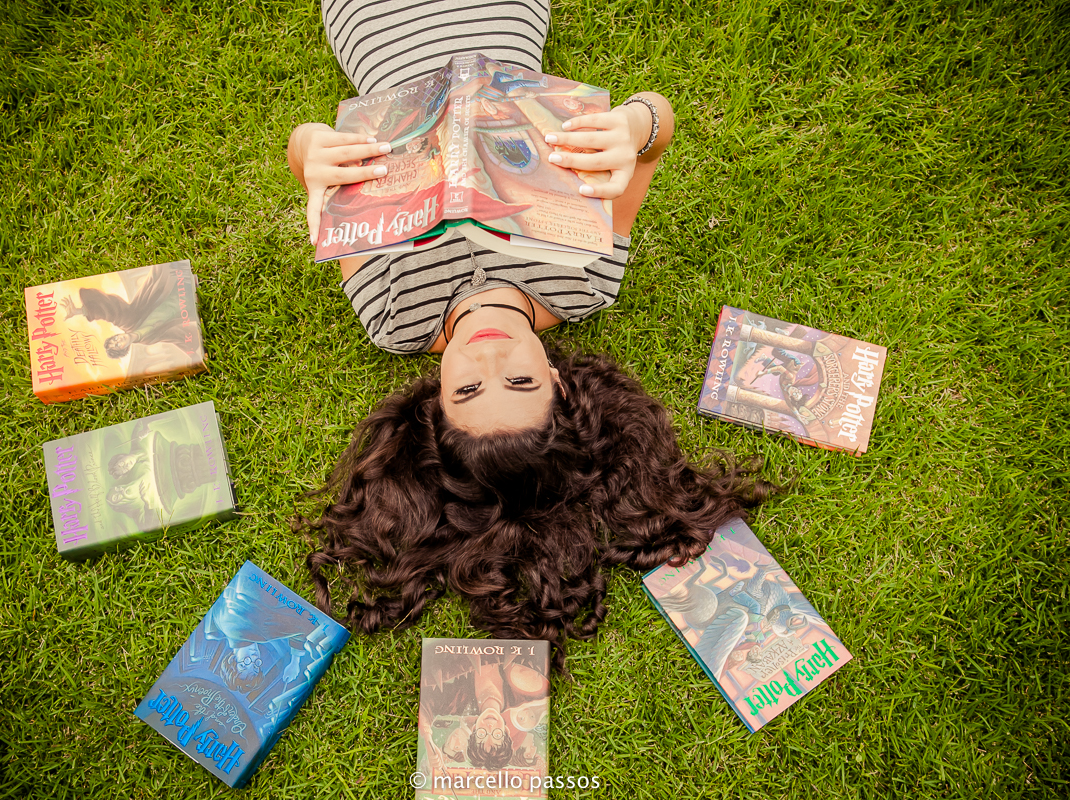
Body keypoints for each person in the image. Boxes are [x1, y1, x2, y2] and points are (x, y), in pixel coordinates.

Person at [289, 1, 777, 667]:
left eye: (468, 389)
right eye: (519, 381)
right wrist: (632, 127)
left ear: (433, 401)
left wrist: (311, 147)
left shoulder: (393, 314)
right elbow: (658, 125)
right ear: (557, 381)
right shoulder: (585, 280)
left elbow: (315, 166)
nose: (489, 357)